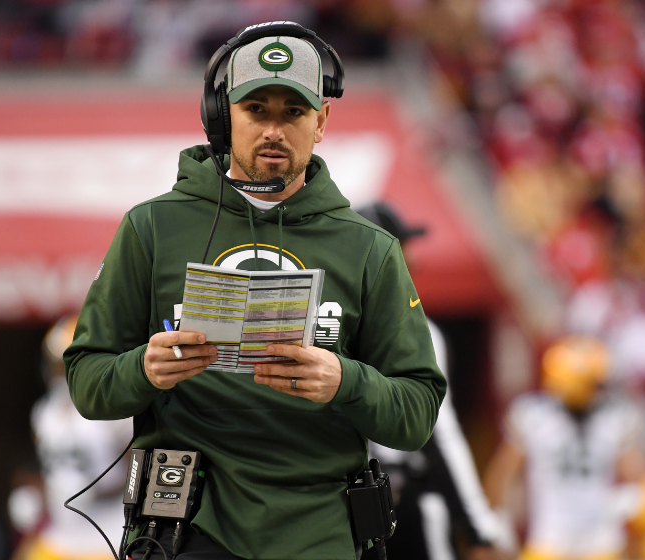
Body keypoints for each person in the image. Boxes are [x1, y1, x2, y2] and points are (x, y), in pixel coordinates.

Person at [64, 22, 446, 560]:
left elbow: (417, 413)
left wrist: (346, 381)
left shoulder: (370, 249)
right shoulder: (151, 228)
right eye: (256, 110)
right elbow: (86, 382)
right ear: (222, 117)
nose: (274, 130)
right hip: (187, 532)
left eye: (293, 112)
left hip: (321, 536)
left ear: (322, 121)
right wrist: (142, 370)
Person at [356, 203, 504, 560]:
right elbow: (441, 434)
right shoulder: (414, 331)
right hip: (403, 502)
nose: (414, 261)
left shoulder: (322, 324)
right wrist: (476, 524)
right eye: (402, 248)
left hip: (337, 508)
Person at [483, 336, 645, 560]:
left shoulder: (613, 418)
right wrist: (497, 525)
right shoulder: (535, 416)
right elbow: (503, 474)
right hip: (554, 542)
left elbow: (638, 481)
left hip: (595, 542)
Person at [10, 316, 133, 560]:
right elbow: (51, 470)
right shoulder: (46, 412)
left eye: (68, 361)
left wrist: (94, 491)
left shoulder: (115, 409)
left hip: (108, 534)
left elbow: (138, 470)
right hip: (61, 535)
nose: (60, 370)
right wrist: (35, 495)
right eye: (57, 362)